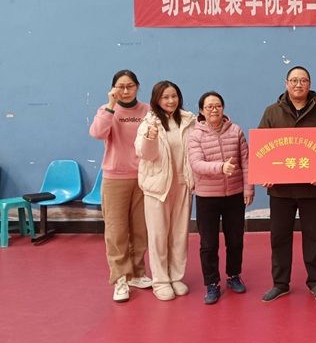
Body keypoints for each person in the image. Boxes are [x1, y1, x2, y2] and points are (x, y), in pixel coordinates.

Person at [258, 66, 316, 303]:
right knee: (279, 237)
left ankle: (315, 281)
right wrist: (265, 172)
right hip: (280, 189)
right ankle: (280, 283)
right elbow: (262, 145)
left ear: (309, 84)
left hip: (312, 188)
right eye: (293, 80)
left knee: (314, 236)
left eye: (303, 80)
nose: (298, 84)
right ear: (286, 83)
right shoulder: (272, 112)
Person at [89, 69, 151, 303]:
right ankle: (120, 279)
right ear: (114, 88)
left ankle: (137, 274)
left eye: (130, 86)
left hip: (143, 178)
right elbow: (97, 133)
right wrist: (110, 105)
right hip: (115, 178)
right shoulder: (107, 110)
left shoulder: (147, 110)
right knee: (116, 232)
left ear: (137, 87)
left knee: (140, 230)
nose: (126, 91)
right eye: (121, 86)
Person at [188, 91, 254, 305]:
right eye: (209, 107)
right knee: (208, 244)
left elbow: (246, 161)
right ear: (201, 111)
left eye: (217, 105)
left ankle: (233, 275)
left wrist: (248, 189)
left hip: (234, 195)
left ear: (223, 108)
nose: (214, 110)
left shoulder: (236, 131)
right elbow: (196, 164)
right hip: (207, 197)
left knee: (235, 240)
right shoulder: (195, 135)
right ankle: (212, 283)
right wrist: (221, 167)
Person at [135, 80, 196, 301]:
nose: (170, 101)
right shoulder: (149, 122)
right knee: (158, 235)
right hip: (157, 186)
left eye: (174, 96)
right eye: (165, 97)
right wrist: (150, 137)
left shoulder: (189, 120)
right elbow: (145, 154)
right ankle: (160, 281)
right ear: (157, 100)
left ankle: (176, 277)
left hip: (182, 184)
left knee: (179, 234)